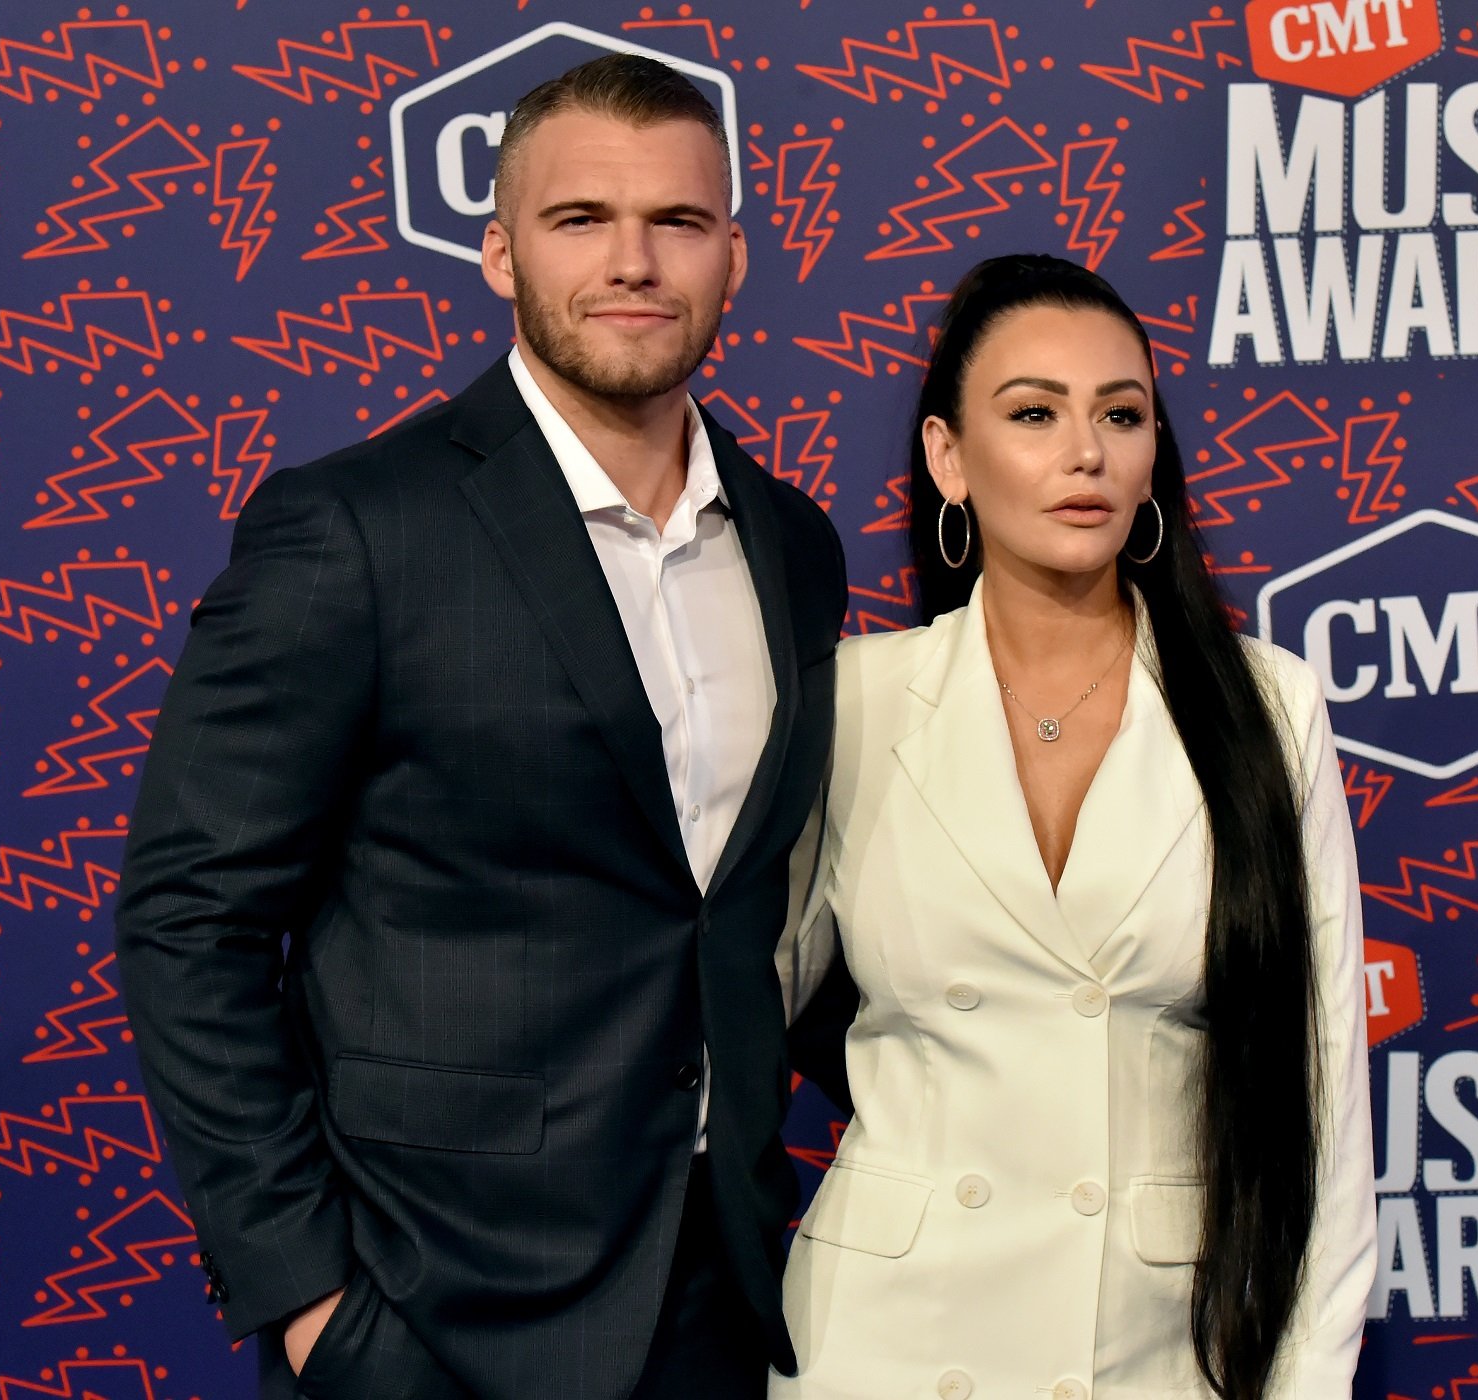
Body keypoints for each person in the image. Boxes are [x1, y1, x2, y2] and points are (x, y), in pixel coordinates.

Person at [115, 54, 846, 1400]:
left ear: (733, 257)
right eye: (581, 221)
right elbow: (188, 924)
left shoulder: (793, 545)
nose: (633, 261)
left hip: (726, 1293)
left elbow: (770, 917)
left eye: (676, 223)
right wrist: (310, 1299)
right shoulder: (354, 532)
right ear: (501, 254)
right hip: (430, 1313)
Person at [772, 254, 1375, 1400]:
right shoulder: (854, 701)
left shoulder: (1267, 707)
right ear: (949, 456)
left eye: (1122, 413)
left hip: (1157, 1347)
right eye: (1035, 412)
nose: (1085, 451)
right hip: (881, 1341)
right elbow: (744, 1018)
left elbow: (1323, 1088)